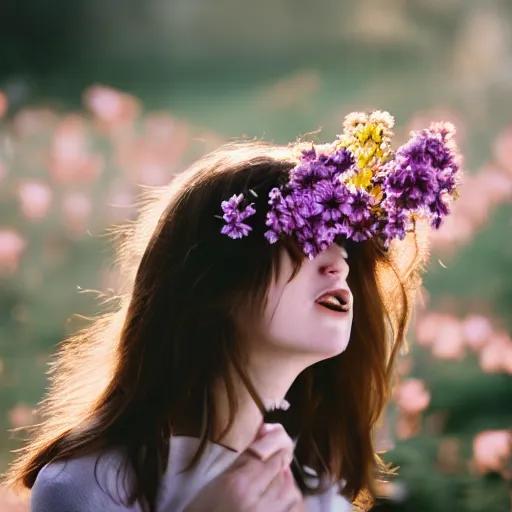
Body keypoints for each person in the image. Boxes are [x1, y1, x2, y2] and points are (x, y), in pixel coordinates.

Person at [4, 111, 461, 511]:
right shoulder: (89, 485)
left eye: (344, 242)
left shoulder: (315, 491)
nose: (339, 260)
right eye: (307, 234)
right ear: (212, 280)